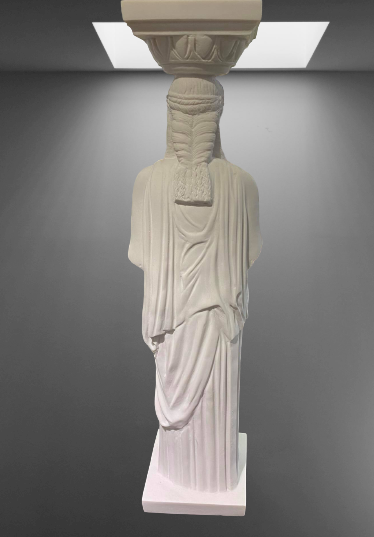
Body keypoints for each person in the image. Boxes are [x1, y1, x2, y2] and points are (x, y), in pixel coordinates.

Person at [128, 75, 262, 492]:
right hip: (209, 323)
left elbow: (138, 253)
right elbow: (252, 251)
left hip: (184, 323)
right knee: (208, 423)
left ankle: (201, 475)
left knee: (200, 421)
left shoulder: (149, 181)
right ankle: (209, 476)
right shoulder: (240, 183)